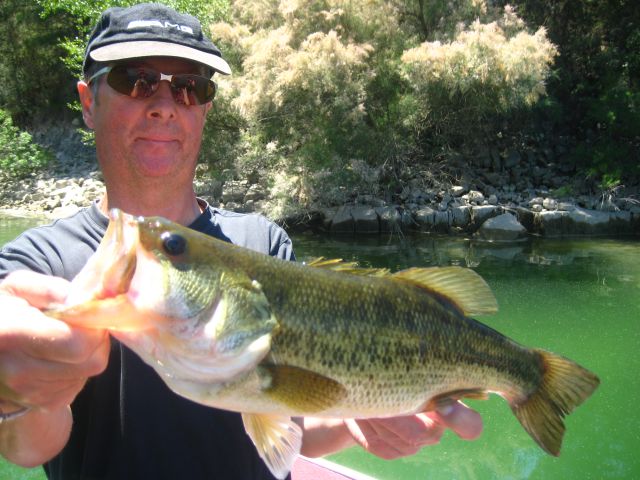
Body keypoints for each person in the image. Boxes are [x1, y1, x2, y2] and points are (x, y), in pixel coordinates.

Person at [0, 3, 482, 479]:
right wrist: (16, 395)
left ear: (205, 109)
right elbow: (28, 446)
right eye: (136, 80)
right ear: (89, 102)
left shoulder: (262, 242)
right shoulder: (38, 265)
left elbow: (287, 425)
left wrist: (356, 418)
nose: (165, 105)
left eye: (189, 87)